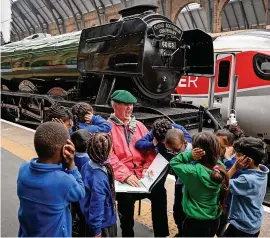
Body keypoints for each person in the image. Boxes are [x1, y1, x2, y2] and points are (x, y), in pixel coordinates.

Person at [108, 90, 168, 237]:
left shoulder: (140, 126)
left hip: (143, 175)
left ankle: (161, 234)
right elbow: (109, 157)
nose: (130, 108)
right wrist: (126, 175)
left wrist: (147, 168)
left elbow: (150, 150)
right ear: (115, 106)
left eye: (131, 105)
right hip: (124, 178)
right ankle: (128, 234)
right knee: (125, 201)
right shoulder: (107, 127)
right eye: (126, 105)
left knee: (160, 192)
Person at [17, 122, 85, 237]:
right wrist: (71, 164)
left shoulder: (23, 170)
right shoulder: (63, 182)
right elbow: (80, 192)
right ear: (65, 150)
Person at [170, 132, 229, 237]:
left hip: (195, 223)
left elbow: (174, 162)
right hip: (214, 220)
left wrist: (190, 156)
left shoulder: (192, 172)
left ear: (197, 151)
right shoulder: (221, 168)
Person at [223, 137, 269, 237]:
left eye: (237, 155)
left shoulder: (247, 179)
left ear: (248, 160)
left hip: (241, 227)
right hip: (254, 224)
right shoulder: (262, 172)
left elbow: (223, 184)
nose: (234, 157)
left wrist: (234, 167)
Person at [80, 133, 117, 237]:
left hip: (92, 219)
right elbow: (97, 206)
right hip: (103, 225)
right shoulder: (99, 179)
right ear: (105, 152)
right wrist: (97, 232)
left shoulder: (87, 165)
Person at [164, 128, 192, 236]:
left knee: (185, 215)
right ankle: (180, 232)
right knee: (177, 212)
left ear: (185, 142)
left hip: (188, 190)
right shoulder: (179, 150)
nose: (174, 154)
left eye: (176, 150)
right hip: (180, 184)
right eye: (170, 151)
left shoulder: (193, 153)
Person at [70, 129, 92, 237]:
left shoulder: (70, 157)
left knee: (75, 212)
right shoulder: (89, 163)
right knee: (84, 219)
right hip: (85, 198)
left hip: (73, 195)